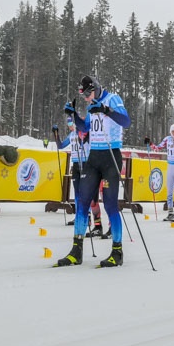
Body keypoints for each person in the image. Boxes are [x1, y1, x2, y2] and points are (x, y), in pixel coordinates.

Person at [55, 75, 131, 268]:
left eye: (88, 94)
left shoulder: (112, 98)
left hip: (110, 156)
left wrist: (106, 110)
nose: (87, 99)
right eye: (84, 96)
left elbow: (126, 121)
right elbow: (84, 128)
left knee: (110, 205)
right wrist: (73, 115)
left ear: (96, 88)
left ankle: (117, 251)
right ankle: (76, 251)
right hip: (93, 158)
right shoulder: (91, 105)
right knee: (82, 202)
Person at [55, 117, 103, 232]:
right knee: (77, 194)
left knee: (88, 195)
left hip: (86, 163)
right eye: (68, 122)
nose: (69, 125)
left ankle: (91, 219)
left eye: (71, 122)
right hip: (76, 165)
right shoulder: (71, 135)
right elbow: (60, 146)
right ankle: (79, 217)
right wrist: (55, 134)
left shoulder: (85, 133)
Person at [149, 124, 174, 222]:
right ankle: (170, 213)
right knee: (169, 190)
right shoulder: (167, 139)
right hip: (170, 166)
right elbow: (158, 148)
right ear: (170, 132)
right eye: (173, 131)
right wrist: (150, 144)